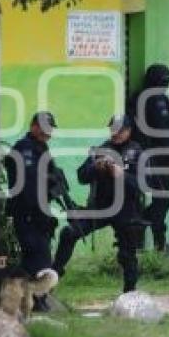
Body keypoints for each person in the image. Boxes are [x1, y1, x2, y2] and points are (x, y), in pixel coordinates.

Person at [53, 115, 147, 292]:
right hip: (100, 207)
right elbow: (81, 176)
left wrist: (122, 175)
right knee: (69, 233)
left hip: (126, 209)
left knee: (127, 253)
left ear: (128, 131)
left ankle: (129, 293)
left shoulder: (137, 152)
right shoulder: (101, 149)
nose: (116, 133)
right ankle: (52, 277)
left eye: (120, 130)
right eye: (113, 129)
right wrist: (96, 168)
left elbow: (144, 184)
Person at [4, 111, 63, 311]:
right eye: (45, 128)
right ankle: (33, 300)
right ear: (34, 126)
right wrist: (41, 215)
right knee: (38, 258)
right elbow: (29, 188)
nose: (48, 133)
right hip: (28, 214)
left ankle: (33, 299)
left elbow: (51, 178)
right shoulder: (24, 150)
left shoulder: (40, 148)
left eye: (50, 129)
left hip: (38, 212)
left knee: (39, 257)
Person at [130, 64, 169, 252]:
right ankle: (151, 240)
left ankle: (153, 240)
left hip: (156, 158)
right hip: (159, 160)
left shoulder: (151, 98)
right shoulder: (154, 100)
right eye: (164, 82)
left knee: (161, 202)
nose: (166, 86)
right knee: (162, 202)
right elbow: (164, 132)